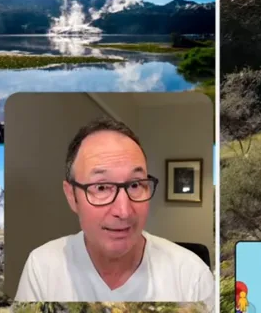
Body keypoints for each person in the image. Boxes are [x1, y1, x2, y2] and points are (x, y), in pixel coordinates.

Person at [14, 118, 216, 309]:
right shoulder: (42, 267)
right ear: (71, 196)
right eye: (101, 187)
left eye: (135, 184)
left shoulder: (191, 275)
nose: (124, 211)